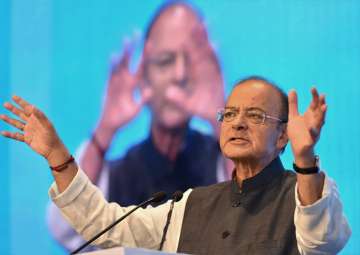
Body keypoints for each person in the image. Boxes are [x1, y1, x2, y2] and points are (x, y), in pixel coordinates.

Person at [0, 76, 351, 254]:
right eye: (229, 114)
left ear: (281, 137)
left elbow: (321, 244)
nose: (238, 123)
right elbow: (103, 227)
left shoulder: (309, 193)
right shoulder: (191, 205)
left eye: (255, 115)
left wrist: (305, 161)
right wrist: (58, 156)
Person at [46, 1, 226, 251]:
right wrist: (104, 130)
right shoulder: (117, 174)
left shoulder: (226, 163)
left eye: (192, 62)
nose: (180, 74)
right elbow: (65, 228)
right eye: (165, 61)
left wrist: (223, 117)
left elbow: (257, 214)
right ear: (143, 77)